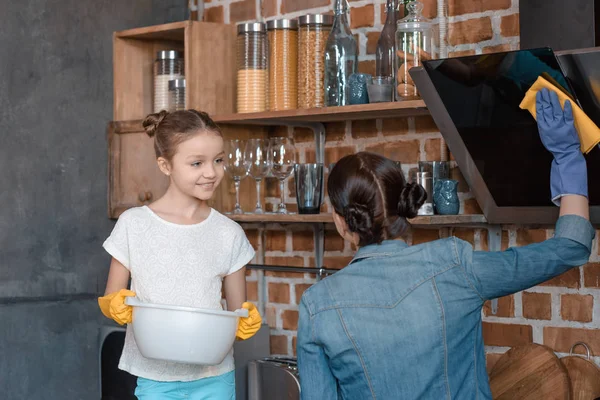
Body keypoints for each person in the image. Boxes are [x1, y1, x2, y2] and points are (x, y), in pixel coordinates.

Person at [297, 88, 593, 399]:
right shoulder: (454, 265)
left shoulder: (318, 306)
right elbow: (571, 245)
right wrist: (567, 155)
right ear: (402, 204)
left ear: (340, 221)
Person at [98, 109, 262, 400]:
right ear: (165, 165)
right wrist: (115, 305)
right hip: (155, 377)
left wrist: (244, 319)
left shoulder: (229, 233)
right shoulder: (134, 224)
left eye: (218, 160)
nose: (211, 172)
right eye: (197, 163)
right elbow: (112, 296)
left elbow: (237, 312)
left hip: (215, 377)